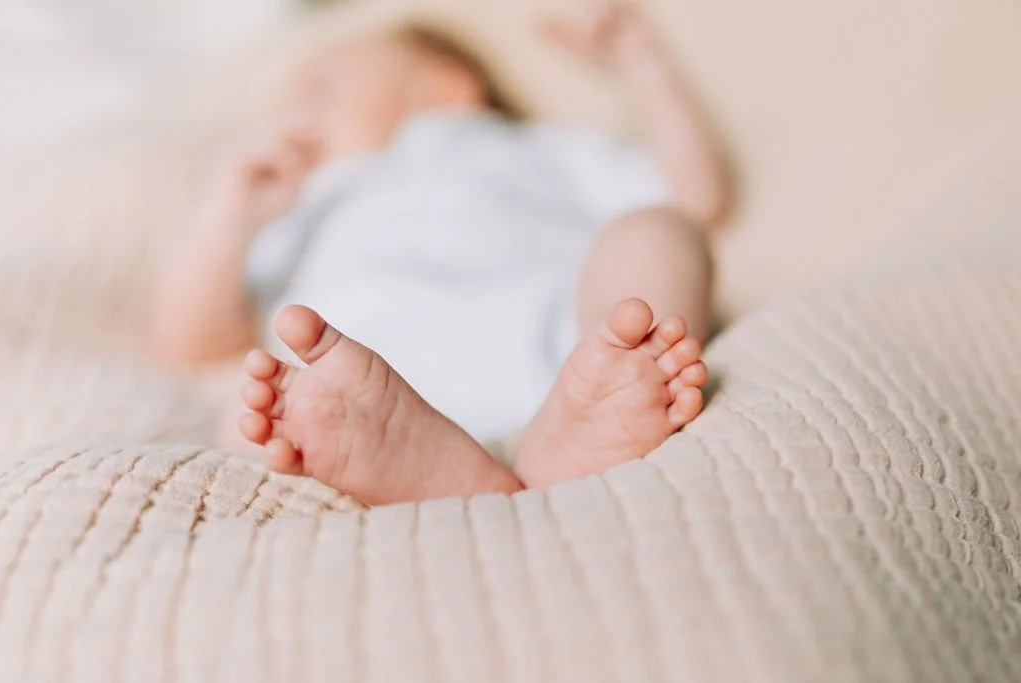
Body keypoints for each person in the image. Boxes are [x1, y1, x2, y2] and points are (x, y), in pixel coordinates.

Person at [150, 1, 728, 505]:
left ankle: (577, 427)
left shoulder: (521, 148)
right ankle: (433, 469)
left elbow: (695, 196)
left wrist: (644, 68)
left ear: (449, 88)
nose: (294, 112)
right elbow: (193, 341)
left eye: (322, 89)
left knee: (659, 232)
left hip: (573, 358)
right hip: (362, 387)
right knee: (250, 411)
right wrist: (227, 213)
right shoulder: (309, 204)